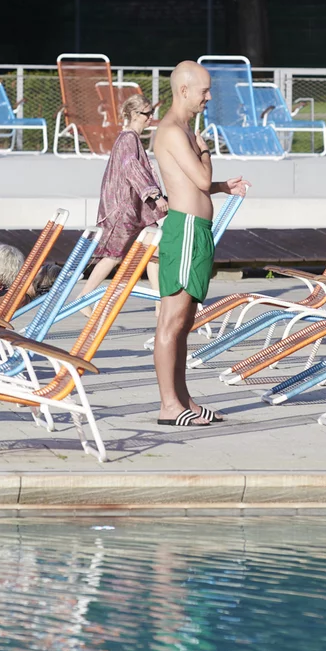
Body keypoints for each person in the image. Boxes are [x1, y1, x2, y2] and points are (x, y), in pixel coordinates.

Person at [151, 61, 250, 426]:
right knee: (171, 321)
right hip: (185, 232)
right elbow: (202, 180)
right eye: (204, 91)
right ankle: (168, 406)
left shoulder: (184, 131)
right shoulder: (173, 132)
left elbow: (200, 185)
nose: (209, 97)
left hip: (198, 231)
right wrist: (205, 151)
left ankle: (184, 399)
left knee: (184, 323)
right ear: (184, 91)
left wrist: (224, 186)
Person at [78, 94, 166, 297]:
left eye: (152, 112)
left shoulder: (129, 138)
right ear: (134, 114)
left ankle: (159, 303)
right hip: (124, 210)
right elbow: (132, 168)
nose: (151, 117)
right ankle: (83, 297)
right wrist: (155, 196)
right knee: (114, 256)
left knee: (154, 250)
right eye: (147, 113)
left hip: (133, 209)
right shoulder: (128, 139)